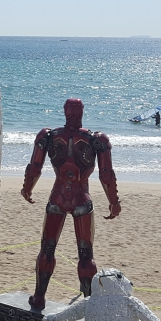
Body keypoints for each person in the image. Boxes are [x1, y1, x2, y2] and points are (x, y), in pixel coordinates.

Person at [21, 98, 121, 310]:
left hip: (57, 196)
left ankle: (39, 297)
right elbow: (106, 175)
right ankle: (89, 304)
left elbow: (35, 167)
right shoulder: (96, 139)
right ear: (82, 112)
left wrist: (27, 188)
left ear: (65, 112)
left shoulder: (49, 136)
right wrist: (113, 202)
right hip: (81, 197)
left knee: (47, 248)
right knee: (86, 254)